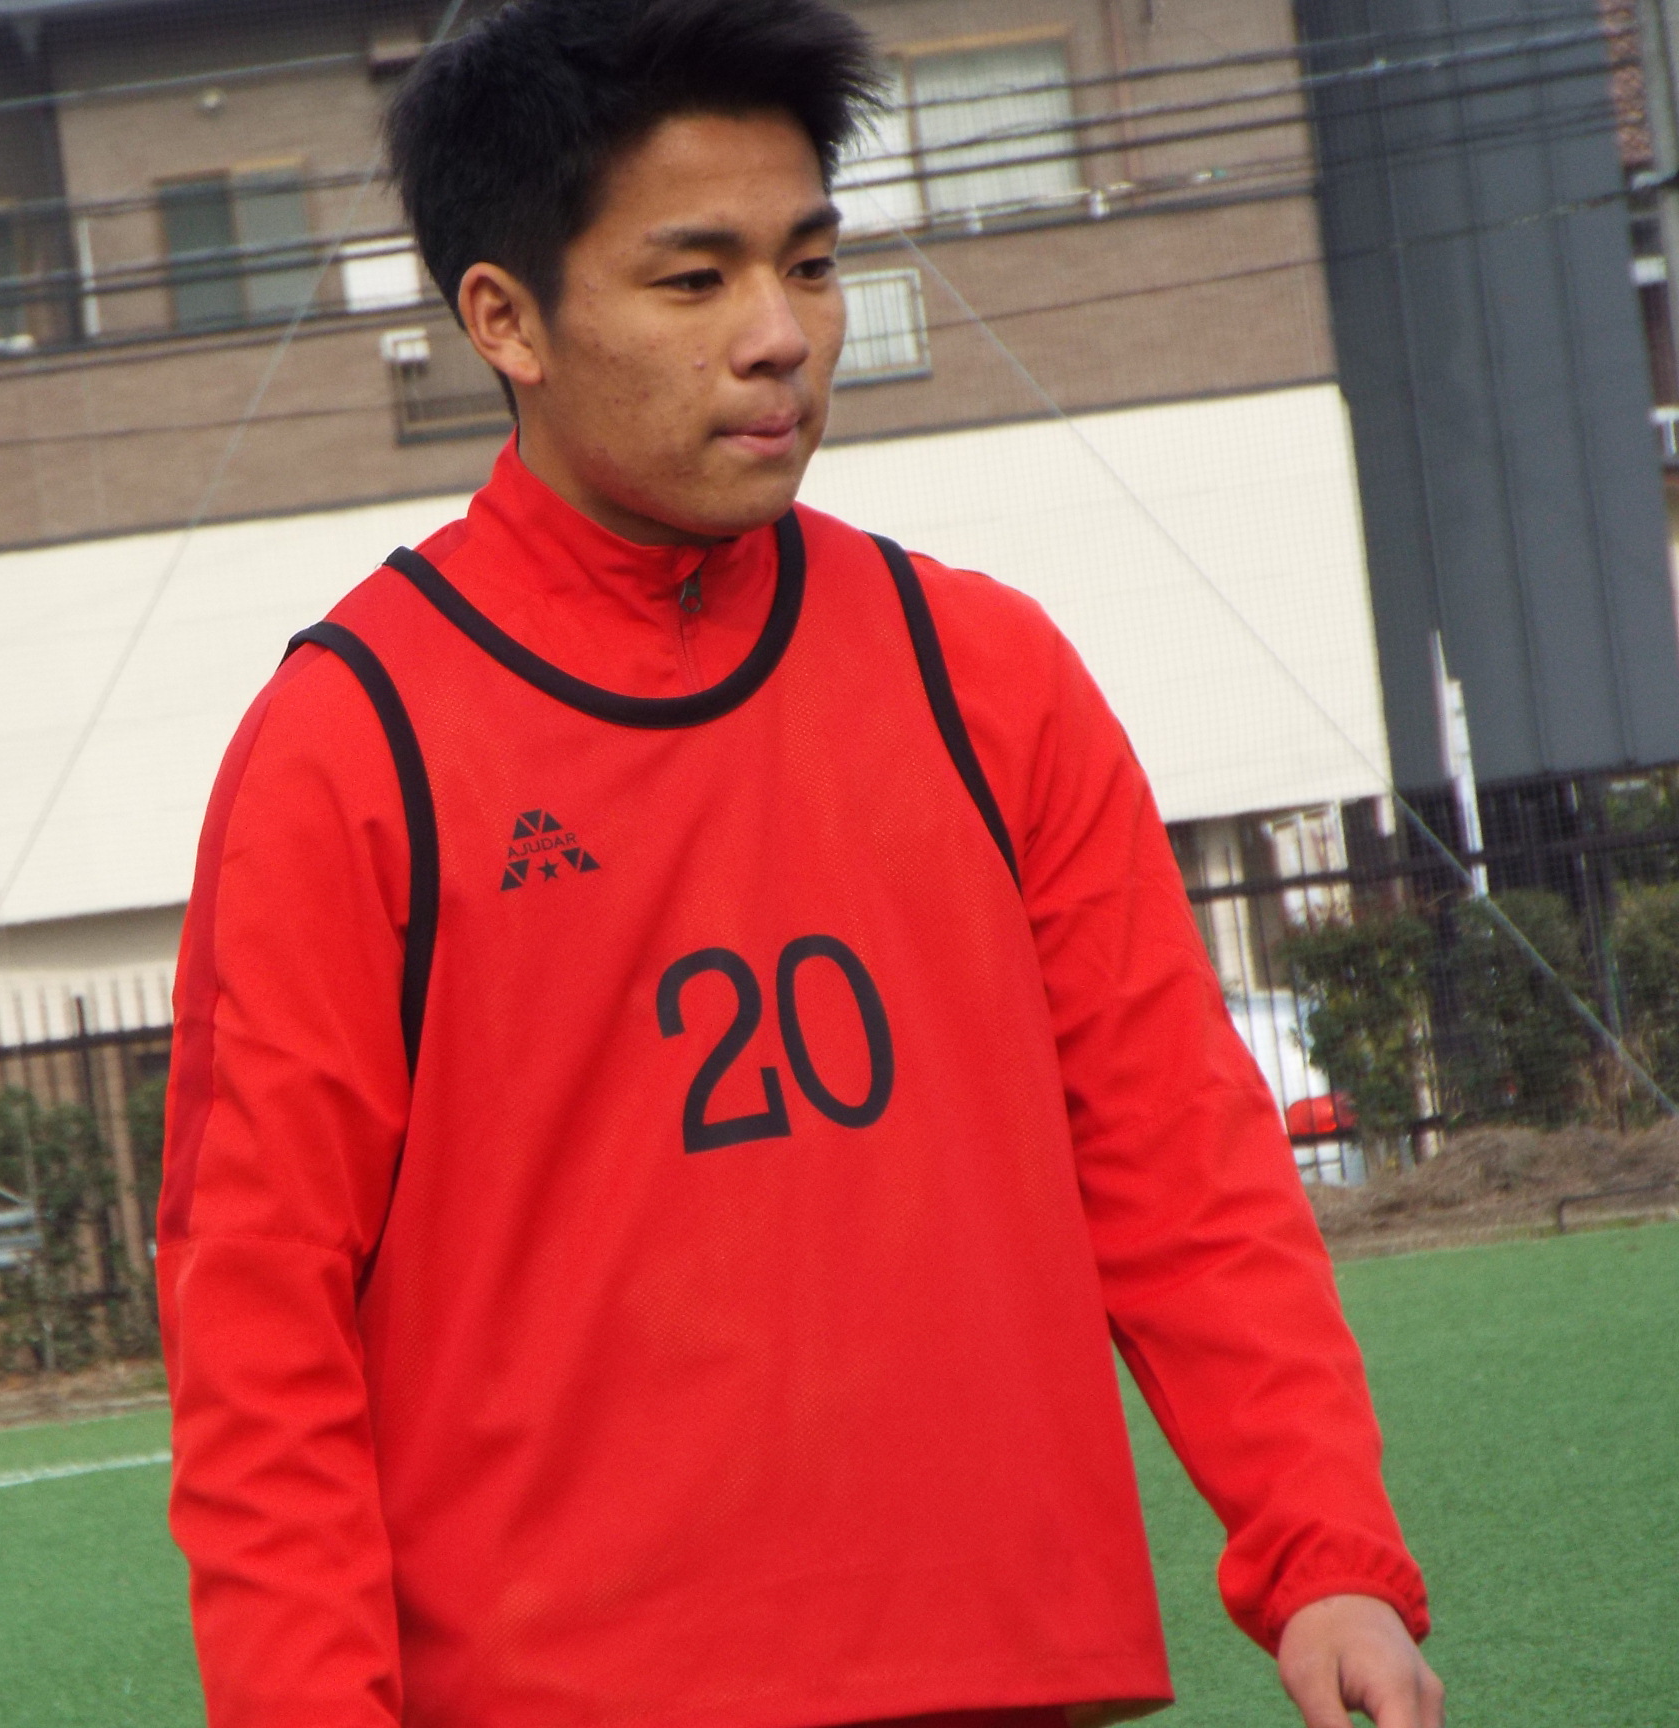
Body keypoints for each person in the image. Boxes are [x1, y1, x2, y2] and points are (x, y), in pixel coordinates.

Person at [156, 3, 1442, 1725]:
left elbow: (1182, 1164)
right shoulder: (351, 742)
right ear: (503, 319)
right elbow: (258, 1318)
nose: (780, 337)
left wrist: (1327, 1554)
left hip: (1002, 1672)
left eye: (811, 265)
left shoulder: (984, 673)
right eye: (695, 280)